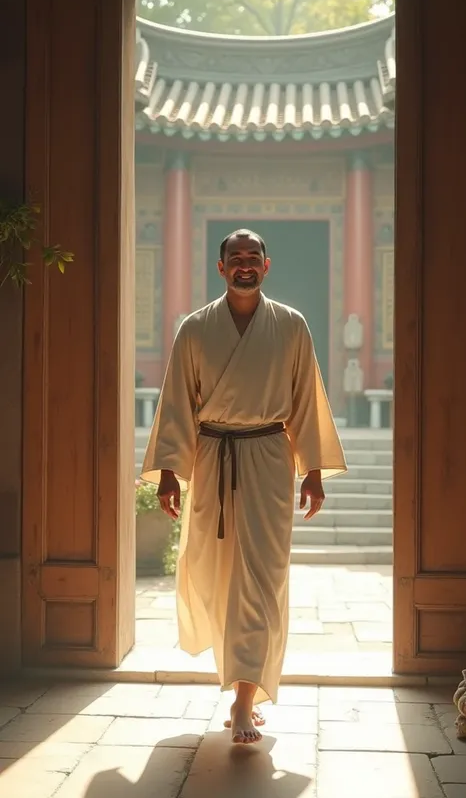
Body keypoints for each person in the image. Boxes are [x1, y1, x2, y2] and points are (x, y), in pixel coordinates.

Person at [141, 228, 347, 744]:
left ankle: (244, 698)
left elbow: (306, 399)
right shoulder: (194, 329)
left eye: (253, 257)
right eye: (236, 258)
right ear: (221, 268)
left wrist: (314, 470)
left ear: (266, 265)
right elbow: (176, 404)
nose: (245, 265)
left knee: (262, 578)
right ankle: (237, 681)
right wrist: (169, 471)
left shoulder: (292, 326)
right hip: (212, 457)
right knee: (216, 574)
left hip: (270, 460)